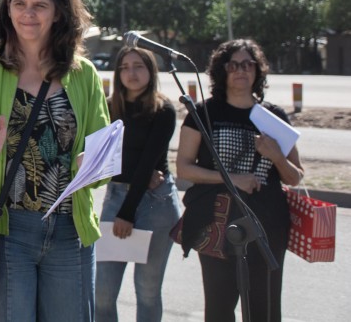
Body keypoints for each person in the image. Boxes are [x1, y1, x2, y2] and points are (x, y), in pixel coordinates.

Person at [0, 0, 109, 322]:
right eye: (19, 4)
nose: (29, 14)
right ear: (7, 10)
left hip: (71, 228)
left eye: (40, 5)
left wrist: (92, 164)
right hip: (4, 229)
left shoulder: (84, 75)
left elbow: (104, 154)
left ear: (58, 13)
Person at [176, 39, 303, 322]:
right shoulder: (203, 114)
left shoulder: (273, 116)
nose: (241, 70)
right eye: (233, 65)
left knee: (264, 309)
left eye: (248, 64)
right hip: (216, 221)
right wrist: (234, 179)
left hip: (267, 224)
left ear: (258, 71)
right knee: (219, 310)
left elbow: (295, 176)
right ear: (222, 71)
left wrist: (276, 156)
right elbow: (184, 169)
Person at [95, 47, 181, 322]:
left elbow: (147, 163)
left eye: (139, 66)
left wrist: (127, 213)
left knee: (147, 292)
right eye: (125, 67)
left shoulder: (163, 109)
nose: (131, 73)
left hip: (155, 203)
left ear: (151, 71)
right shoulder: (108, 107)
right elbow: (101, 155)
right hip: (117, 196)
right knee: (103, 293)